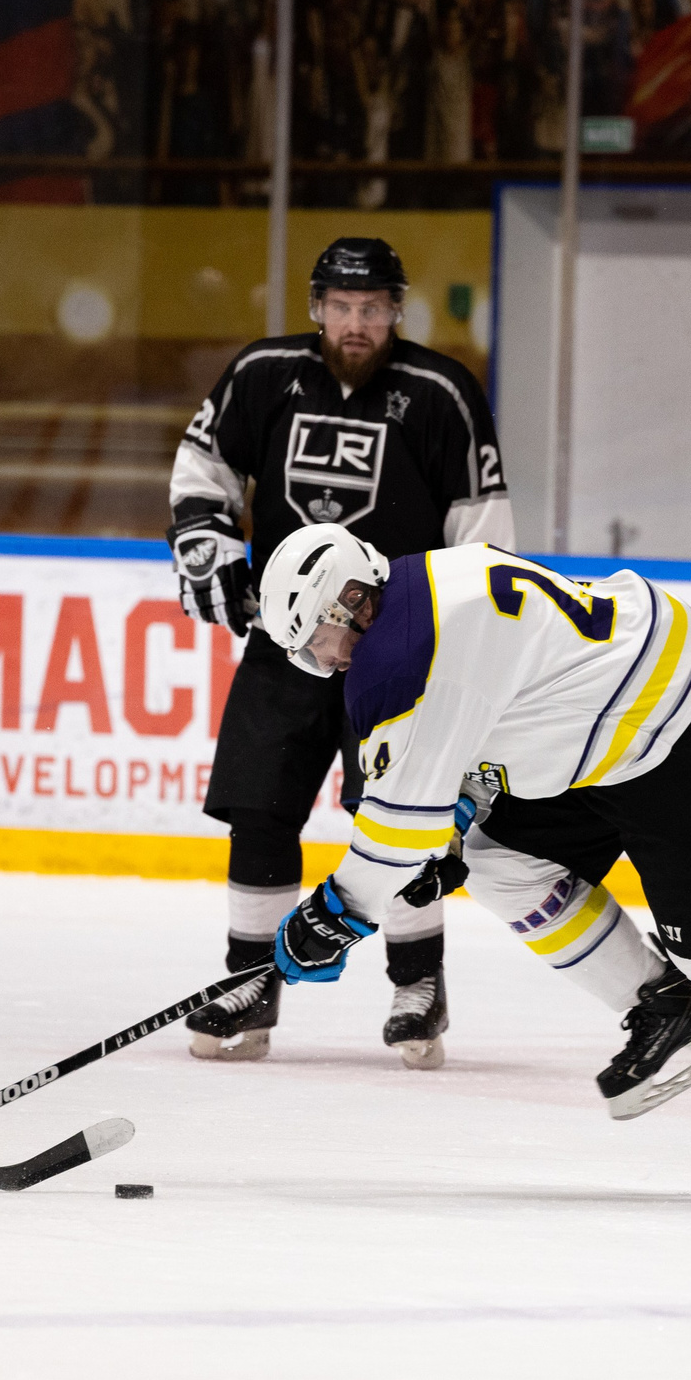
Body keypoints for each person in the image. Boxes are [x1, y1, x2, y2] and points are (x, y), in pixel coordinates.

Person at [244, 524, 691, 1191]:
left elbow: (394, 836)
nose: (327, 661)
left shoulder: (395, 658)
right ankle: (664, 1002)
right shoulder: (426, 577)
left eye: (318, 642)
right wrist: (453, 820)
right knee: (498, 860)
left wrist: (332, 917)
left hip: (670, 734)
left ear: (350, 603)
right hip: (604, 722)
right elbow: (495, 700)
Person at [167, 237, 511, 1066]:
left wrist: (469, 639)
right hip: (285, 639)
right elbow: (202, 468)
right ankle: (248, 987)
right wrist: (207, 545)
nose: (357, 323)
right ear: (317, 307)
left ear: (397, 310)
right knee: (259, 811)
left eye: (374, 308)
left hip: (398, 651)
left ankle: (416, 988)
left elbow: (483, 533)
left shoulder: (441, 393)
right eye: (342, 307)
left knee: (399, 814)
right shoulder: (261, 374)